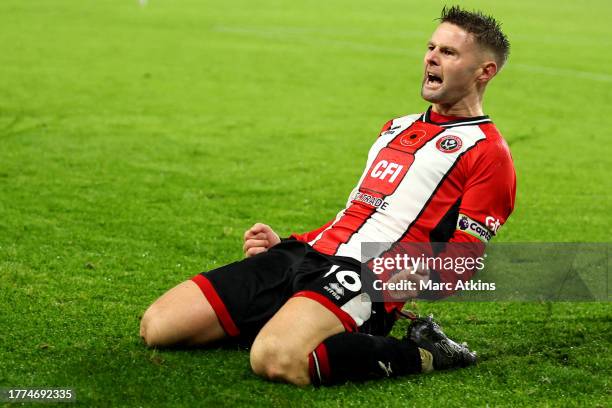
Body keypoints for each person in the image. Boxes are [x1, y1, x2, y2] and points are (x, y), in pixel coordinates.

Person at [139, 5, 516, 387]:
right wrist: (285, 242)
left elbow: (465, 256)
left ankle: (426, 352)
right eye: (431, 47)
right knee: (159, 326)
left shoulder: (488, 152)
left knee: (275, 359)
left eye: (448, 52)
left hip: (367, 275)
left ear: (485, 72)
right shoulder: (396, 128)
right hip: (306, 256)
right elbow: (358, 214)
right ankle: (294, 319)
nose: (432, 58)